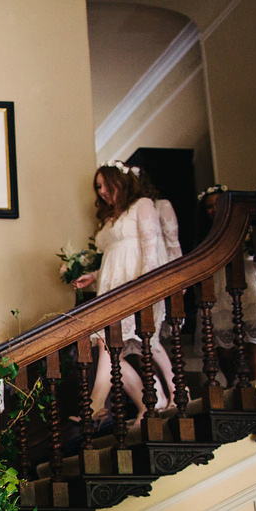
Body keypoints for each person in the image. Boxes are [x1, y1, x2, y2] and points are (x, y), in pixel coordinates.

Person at [73, 162, 177, 420]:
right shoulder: (112, 217)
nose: (103, 191)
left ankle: (176, 390)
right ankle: (151, 402)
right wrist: (94, 276)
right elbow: (114, 255)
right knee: (111, 347)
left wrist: (146, 285)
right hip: (111, 287)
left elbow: (149, 247)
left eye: (107, 184)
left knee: (144, 343)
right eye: (98, 187)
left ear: (121, 180)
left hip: (135, 284)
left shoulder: (142, 206)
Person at [198, 184, 256, 384]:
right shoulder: (207, 235)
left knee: (254, 346)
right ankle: (236, 388)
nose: (214, 209)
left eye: (218, 203)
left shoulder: (247, 226)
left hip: (250, 285)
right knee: (223, 350)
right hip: (219, 288)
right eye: (209, 206)